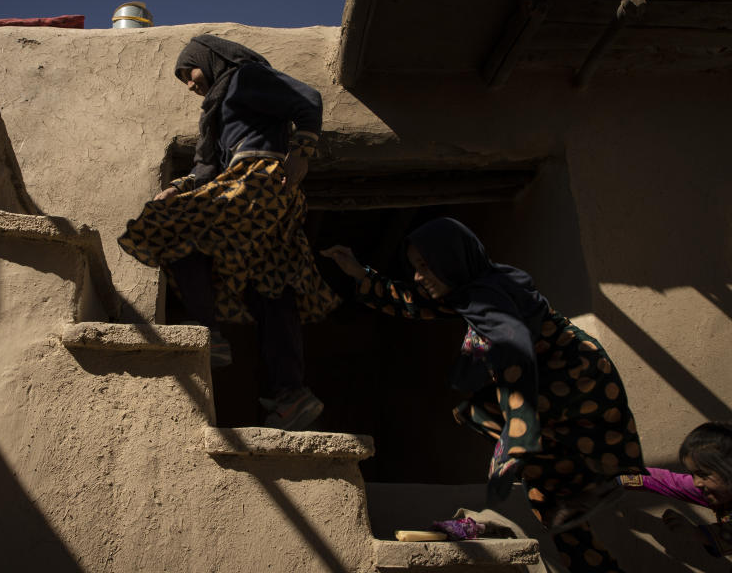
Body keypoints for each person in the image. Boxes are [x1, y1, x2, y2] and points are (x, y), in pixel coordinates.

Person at [322, 217, 645, 573]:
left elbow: (514, 354)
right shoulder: (471, 289)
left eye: (425, 266)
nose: (417, 276)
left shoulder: (491, 298)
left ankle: (588, 478)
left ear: (451, 260)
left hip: (574, 380)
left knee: (481, 411)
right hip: (554, 390)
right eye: (415, 267)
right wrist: (360, 273)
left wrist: (517, 433)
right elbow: (414, 300)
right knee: (550, 504)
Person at [118, 34, 340, 431]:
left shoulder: (245, 78)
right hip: (260, 194)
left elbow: (307, 99)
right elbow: (206, 170)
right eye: (182, 80)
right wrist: (180, 187)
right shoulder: (217, 110)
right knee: (271, 285)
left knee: (169, 227)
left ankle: (209, 332)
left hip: (260, 179)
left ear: (210, 58)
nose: (189, 84)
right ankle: (292, 394)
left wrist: (301, 153)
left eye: (190, 72)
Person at [617, 421, 732, 558]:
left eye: (703, 475)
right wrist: (618, 476)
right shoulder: (716, 490)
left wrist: (696, 533)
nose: (696, 483)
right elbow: (670, 482)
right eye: (693, 474)